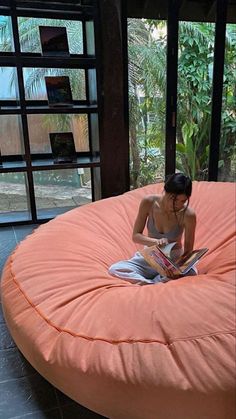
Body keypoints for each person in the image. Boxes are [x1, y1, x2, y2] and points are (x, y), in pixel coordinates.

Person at [108, 172, 197, 284]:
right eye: (174, 200)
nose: (178, 205)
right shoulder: (148, 202)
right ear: (165, 191)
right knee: (115, 269)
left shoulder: (188, 215)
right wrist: (155, 242)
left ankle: (150, 282)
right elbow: (136, 236)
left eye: (183, 201)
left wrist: (175, 268)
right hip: (152, 256)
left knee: (191, 272)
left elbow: (189, 251)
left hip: (174, 258)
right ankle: (157, 283)